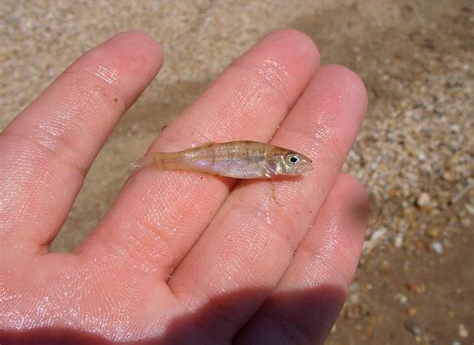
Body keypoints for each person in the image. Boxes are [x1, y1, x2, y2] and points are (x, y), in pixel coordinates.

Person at [0, 30, 368, 344]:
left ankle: (155, 162)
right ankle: (154, 162)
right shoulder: (264, 163)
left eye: (293, 161)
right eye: (291, 160)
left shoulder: (268, 165)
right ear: (276, 161)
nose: (296, 165)